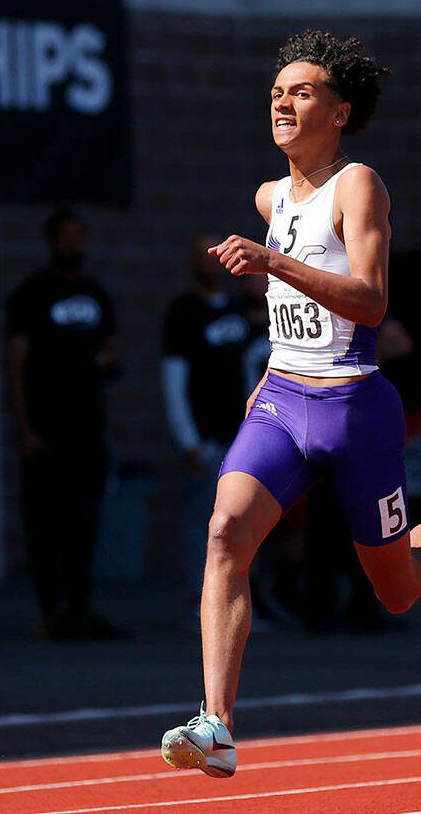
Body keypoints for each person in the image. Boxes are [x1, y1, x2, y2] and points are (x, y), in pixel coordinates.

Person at [159, 30, 421, 779]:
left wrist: (271, 260)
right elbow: (292, 308)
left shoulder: (359, 185)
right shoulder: (268, 196)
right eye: (277, 92)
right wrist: (271, 359)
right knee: (226, 533)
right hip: (283, 401)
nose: (284, 101)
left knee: (397, 590)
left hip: (355, 409)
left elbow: (373, 301)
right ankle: (217, 723)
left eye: (303, 91)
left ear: (340, 111)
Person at [5, 209, 123, 640]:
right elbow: (16, 364)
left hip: (87, 428)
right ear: (52, 241)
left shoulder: (96, 294)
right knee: (45, 523)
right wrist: (23, 427)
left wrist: (105, 361)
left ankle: (79, 608)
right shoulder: (31, 295)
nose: (74, 245)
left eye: (80, 236)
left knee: (84, 522)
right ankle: (49, 610)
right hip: (45, 429)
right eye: (67, 237)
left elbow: (112, 352)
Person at [162, 236, 254, 615]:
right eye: (204, 256)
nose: (214, 262)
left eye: (218, 254)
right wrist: (188, 441)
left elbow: (254, 367)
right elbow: (173, 379)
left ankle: (242, 601)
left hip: (242, 434)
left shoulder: (238, 311)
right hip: (205, 438)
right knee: (204, 521)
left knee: (244, 518)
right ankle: (198, 601)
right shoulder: (183, 312)